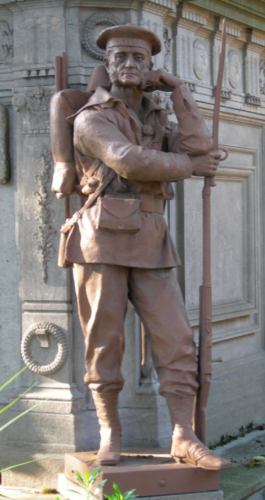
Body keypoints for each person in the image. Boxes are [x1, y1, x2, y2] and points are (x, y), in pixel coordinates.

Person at [51, 24, 229, 470]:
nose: (129, 65)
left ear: (151, 69)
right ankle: (110, 433)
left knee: (177, 340)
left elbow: (201, 149)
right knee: (104, 343)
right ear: (107, 66)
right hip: (99, 240)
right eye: (120, 58)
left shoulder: (156, 115)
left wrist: (181, 93)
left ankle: (184, 436)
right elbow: (127, 159)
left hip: (151, 236)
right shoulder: (92, 116)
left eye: (139, 59)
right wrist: (188, 166)